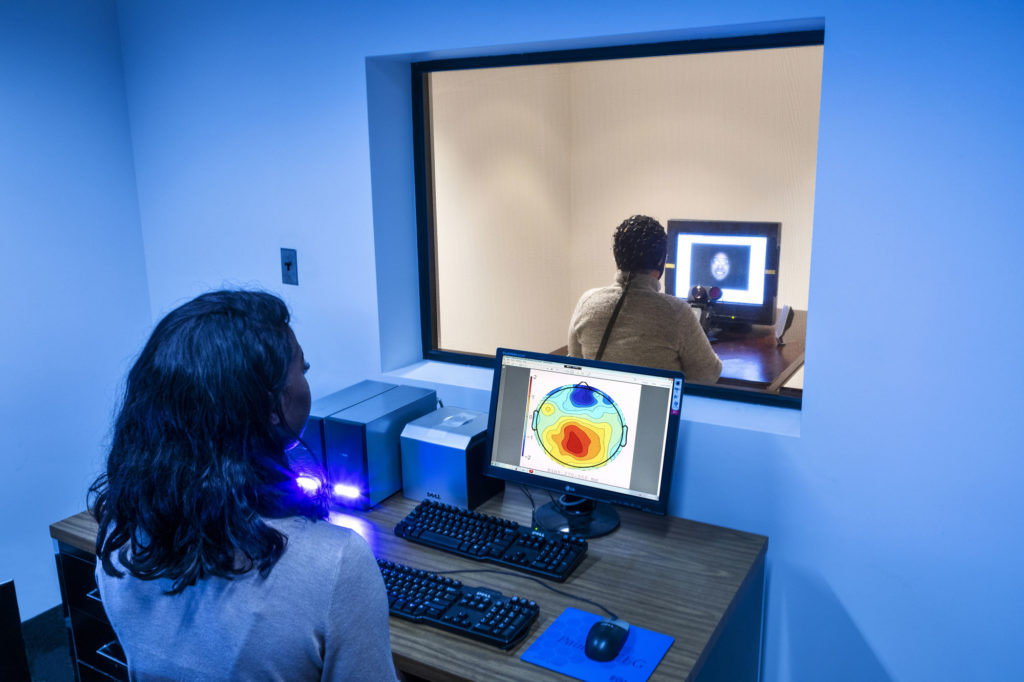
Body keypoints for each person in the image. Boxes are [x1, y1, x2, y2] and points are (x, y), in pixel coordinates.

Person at [89, 290, 398, 681]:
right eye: (302, 369)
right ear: (270, 408)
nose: (306, 376)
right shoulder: (336, 563)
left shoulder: (119, 533)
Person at [568, 215, 722, 384]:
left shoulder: (587, 302)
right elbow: (708, 374)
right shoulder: (676, 312)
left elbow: (574, 362)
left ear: (616, 257)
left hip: (600, 405)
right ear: (661, 260)